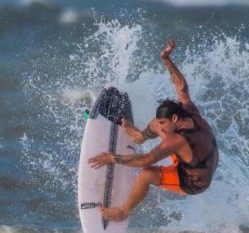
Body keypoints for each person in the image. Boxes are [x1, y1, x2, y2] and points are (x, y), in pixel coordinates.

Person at [88, 39, 219, 221]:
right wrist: (166, 58)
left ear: (174, 118)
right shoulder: (189, 111)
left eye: (165, 122)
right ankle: (138, 137)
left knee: (146, 174)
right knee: (157, 125)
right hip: (194, 160)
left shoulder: (177, 141)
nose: (161, 126)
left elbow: (146, 160)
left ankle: (123, 212)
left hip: (193, 182)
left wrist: (111, 158)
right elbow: (181, 86)